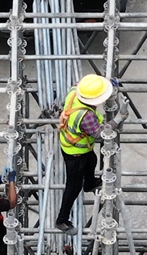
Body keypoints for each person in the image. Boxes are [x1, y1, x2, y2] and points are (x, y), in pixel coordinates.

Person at [55, 74, 119, 235]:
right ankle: (62, 220)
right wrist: (118, 119)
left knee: (92, 159)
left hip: (72, 146)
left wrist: (106, 84)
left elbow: (85, 85)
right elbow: (100, 134)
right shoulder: (86, 116)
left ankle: (89, 183)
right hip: (75, 153)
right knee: (73, 186)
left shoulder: (74, 91)